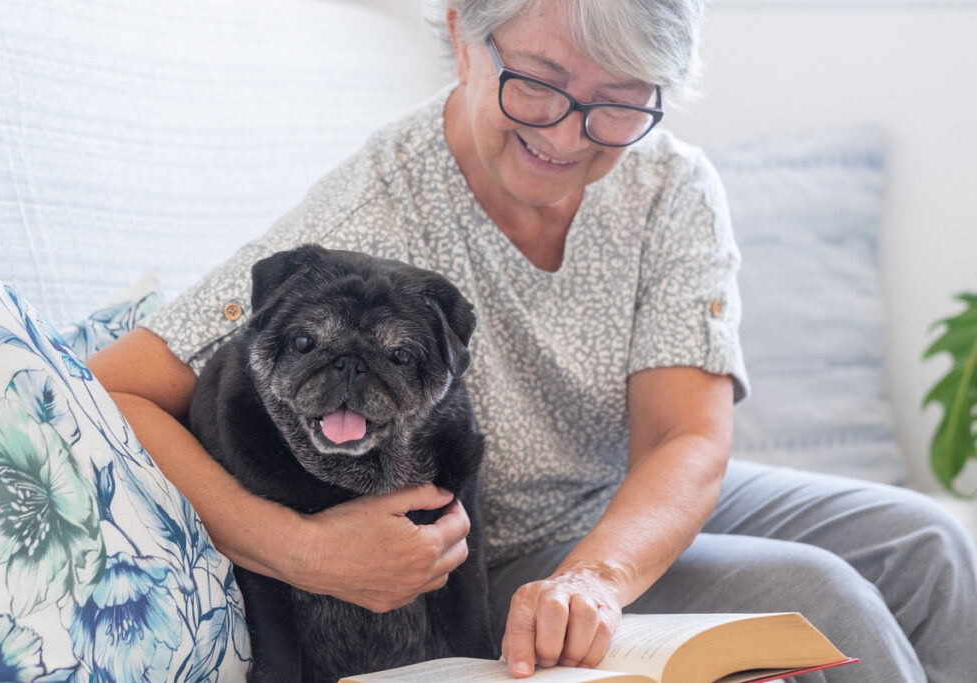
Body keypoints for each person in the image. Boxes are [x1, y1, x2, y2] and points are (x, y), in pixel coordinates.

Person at [89, 0, 977, 680]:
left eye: (617, 105)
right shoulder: (373, 205)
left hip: (616, 510)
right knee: (819, 595)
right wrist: (294, 546)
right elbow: (114, 385)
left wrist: (597, 577)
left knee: (930, 546)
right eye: (540, 84)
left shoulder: (669, 186)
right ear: (463, 35)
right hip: (502, 546)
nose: (566, 135)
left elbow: (685, 437)